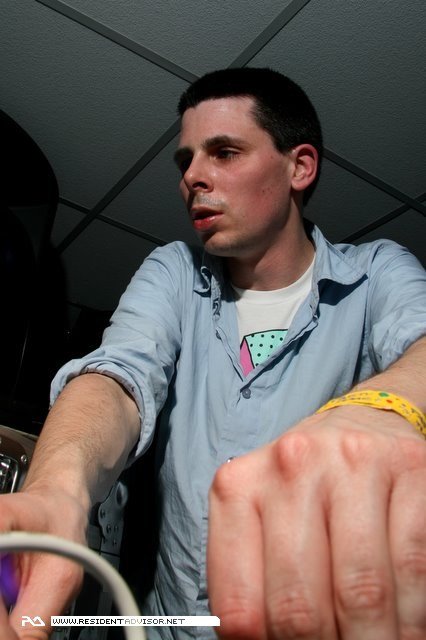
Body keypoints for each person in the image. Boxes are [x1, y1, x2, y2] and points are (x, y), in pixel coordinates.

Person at [1, 67, 425, 640]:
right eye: (186, 161)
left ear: (300, 167)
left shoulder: (376, 274)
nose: (192, 177)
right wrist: (58, 488)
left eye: (224, 152)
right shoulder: (174, 271)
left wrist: (379, 411)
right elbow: (117, 379)